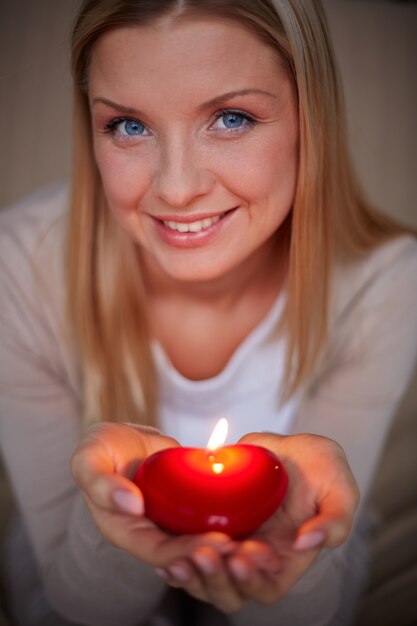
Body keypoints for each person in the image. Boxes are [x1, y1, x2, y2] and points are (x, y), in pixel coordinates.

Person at [0, 0, 416, 624]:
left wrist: (285, 557)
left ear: (311, 119)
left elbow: (305, 604)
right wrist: (117, 528)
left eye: (231, 117)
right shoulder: (19, 272)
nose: (175, 187)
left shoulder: (384, 284)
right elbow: (74, 604)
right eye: (129, 127)